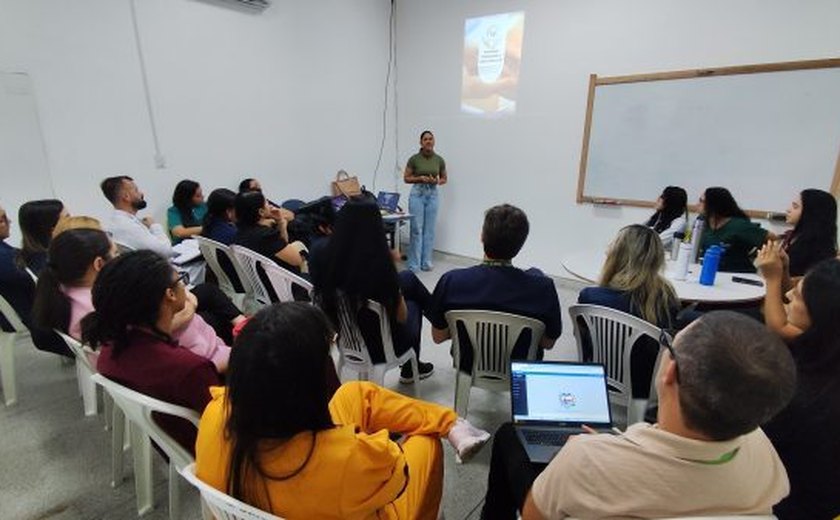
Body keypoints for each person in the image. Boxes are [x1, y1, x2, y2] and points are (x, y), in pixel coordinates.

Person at [482, 311, 796, 520]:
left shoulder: (584, 460)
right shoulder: (761, 450)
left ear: (670, 371)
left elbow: (535, 516)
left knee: (510, 436)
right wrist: (617, 443)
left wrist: (601, 450)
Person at [195, 302, 490, 519]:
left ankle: (453, 423)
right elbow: (396, 476)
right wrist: (367, 440)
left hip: (289, 477)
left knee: (352, 392)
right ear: (307, 384)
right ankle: (446, 427)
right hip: (358, 497)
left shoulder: (215, 414)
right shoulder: (348, 458)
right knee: (425, 441)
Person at [33, 221, 234, 372]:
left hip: (158, 363)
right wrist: (188, 310)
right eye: (115, 253)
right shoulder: (101, 303)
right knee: (216, 320)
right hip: (182, 366)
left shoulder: (65, 292)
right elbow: (146, 336)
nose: (120, 258)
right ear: (99, 264)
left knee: (210, 310)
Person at [82, 250, 221, 452]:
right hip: (212, 451)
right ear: (170, 295)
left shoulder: (110, 349)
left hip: (173, 443)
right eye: (180, 279)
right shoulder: (189, 368)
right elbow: (229, 427)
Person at [312, 195, 435, 382]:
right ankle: (416, 360)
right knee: (413, 304)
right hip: (381, 348)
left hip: (346, 337)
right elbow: (401, 316)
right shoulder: (379, 264)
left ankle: (439, 316)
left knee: (408, 278)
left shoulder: (319, 252)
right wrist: (394, 274)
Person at [428, 204, 561, 373]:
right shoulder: (542, 287)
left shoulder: (452, 281)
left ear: (482, 236)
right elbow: (548, 343)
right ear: (521, 244)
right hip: (520, 367)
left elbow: (438, 337)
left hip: (467, 363)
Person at [755, 255, 840, 519]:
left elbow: (748, 451)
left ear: (821, 312)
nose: (789, 293)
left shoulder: (799, 396)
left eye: (800, 295)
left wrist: (771, 279)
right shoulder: (828, 355)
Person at [578, 225, 681, 397]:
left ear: (616, 255)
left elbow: (584, 339)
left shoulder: (591, 297)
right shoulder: (666, 300)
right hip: (646, 387)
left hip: (599, 376)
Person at [0, 203, 71, 358]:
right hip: (52, 330)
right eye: (2, 219)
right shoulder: (18, 263)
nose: (9, 222)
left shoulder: (23, 257)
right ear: (51, 229)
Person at [232, 190, 306, 275]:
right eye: (266, 202)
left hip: (261, 280)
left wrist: (280, 222)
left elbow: (283, 246)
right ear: (261, 212)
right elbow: (296, 260)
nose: (270, 205)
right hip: (283, 283)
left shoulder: (239, 232)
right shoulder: (266, 236)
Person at [404, 130, 447, 272]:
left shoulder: (439, 159)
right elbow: (406, 178)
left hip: (433, 194)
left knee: (429, 231)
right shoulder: (414, 159)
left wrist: (437, 181)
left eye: (431, 139)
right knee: (417, 229)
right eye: (425, 139)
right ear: (421, 142)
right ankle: (414, 264)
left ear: (434, 141)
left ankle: (426, 262)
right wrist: (420, 178)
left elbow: (444, 179)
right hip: (417, 194)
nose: (428, 141)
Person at [698, 187, 769, 272]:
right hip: (711, 269)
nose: (697, 204)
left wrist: (763, 260)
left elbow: (773, 238)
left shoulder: (738, 225)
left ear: (713, 205)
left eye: (702, 201)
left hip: (737, 273)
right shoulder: (702, 222)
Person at [101, 175, 172, 257]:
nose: (141, 193)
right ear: (126, 197)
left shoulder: (123, 221)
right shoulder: (127, 226)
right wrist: (154, 226)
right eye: (136, 190)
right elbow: (166, 251)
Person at [780, 188, 837, 278]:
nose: (788, 210)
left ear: (811, 213)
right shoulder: (793, 236)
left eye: (795, 207)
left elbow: (807, 281)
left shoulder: (821, 247)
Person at [17, 199, 67, 273]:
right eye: (67, 218)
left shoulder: (32, 257)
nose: (73, 221)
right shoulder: (50, 263)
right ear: (51, 228)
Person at [167, 179, 207, 244]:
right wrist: (208, 228)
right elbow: (179, 232)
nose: (202, 197)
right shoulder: (174, 211)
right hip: (186, 246)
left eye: (201, 194)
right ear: (187, 198)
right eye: (198, 196)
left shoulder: (203, 206)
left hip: (203, 242)